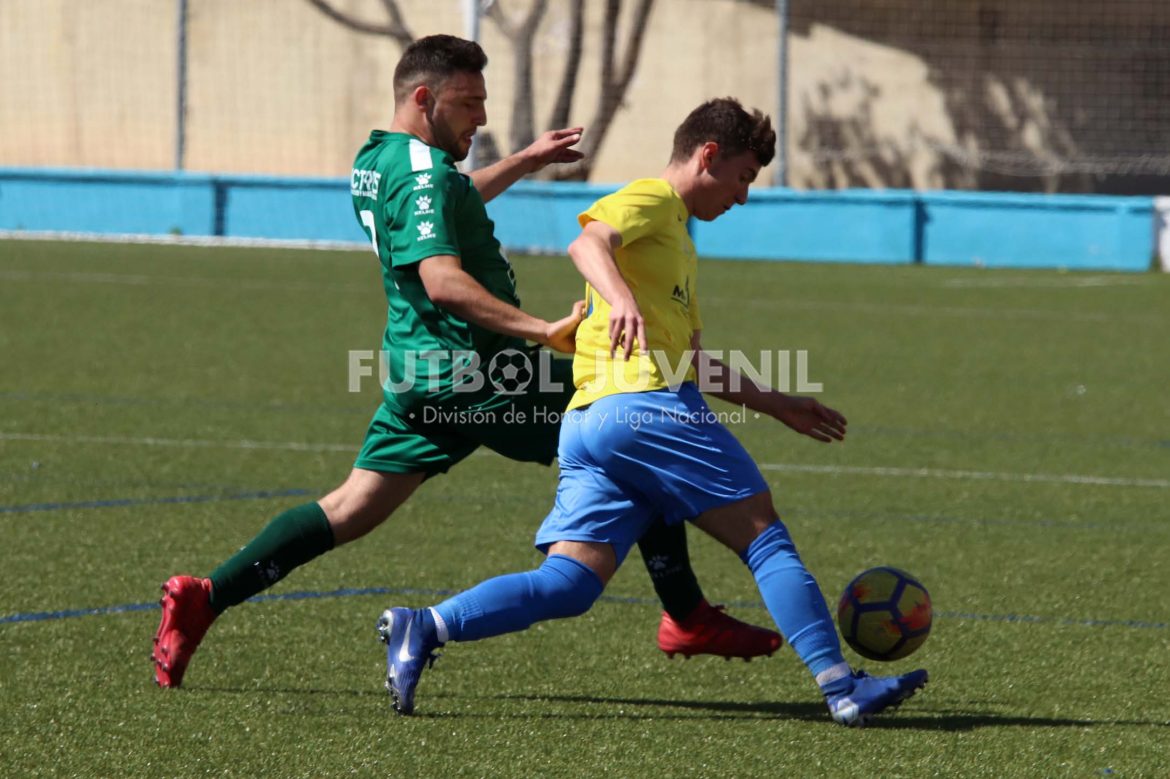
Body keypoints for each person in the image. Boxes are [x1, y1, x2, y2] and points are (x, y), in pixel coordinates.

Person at [151, 36, 781, 689]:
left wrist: (522, 161)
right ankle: (686, 613)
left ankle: (206, 595)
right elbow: (443, 280)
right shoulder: (423, 171)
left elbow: (449, 197)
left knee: (351, 507)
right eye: (469, 102)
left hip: (417, 370)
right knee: (632, 422)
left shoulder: (380, 158)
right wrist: (543, 330)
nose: (480, 116)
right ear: (425, 98)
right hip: (474, 371)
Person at [376, 97, 929, 726]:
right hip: (643, 409)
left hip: (591, 423)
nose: (744, 197)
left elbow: (689, 359)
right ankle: (842, 687)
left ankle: (425, 625)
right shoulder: (655, 199)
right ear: (708, 155)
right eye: (744, 177)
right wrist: (619, 299)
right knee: (761, 534)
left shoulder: (677, 245)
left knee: (570, 584)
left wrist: (778, 404)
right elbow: (587, 244)